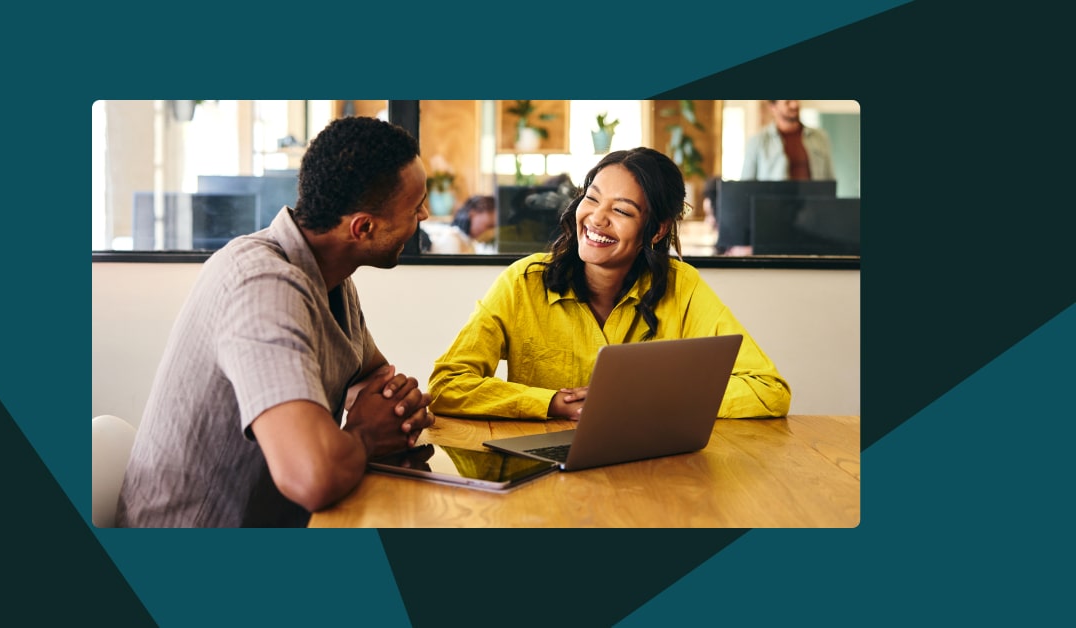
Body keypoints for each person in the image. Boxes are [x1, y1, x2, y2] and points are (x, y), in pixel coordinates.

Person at [117, 116, 436, 527]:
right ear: (363, 227)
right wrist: (367, 434)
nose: (425, 214)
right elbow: (312, 475)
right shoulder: (263, 285)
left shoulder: (329, 275)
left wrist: (394, 407)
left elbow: (375, 378)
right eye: (415, 207)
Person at [429, 147, 790, 421]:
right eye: (592, 199)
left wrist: (649, 401)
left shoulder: (682, 286)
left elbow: (767, 389)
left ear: (658, 229)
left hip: (647, 471)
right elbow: (448, 385)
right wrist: (549, 403)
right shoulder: (524, 281)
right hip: (542, 473)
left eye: (621, 210)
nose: (596, 219)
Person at [740, 100, 835, 181]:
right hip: (774, 202)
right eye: (788, 102)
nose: (794, 105)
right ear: (773, 107)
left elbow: (829, 180)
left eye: (796, 100)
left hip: (813, 202)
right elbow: (745, 187)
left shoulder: (820, 138)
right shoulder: (757, 142)